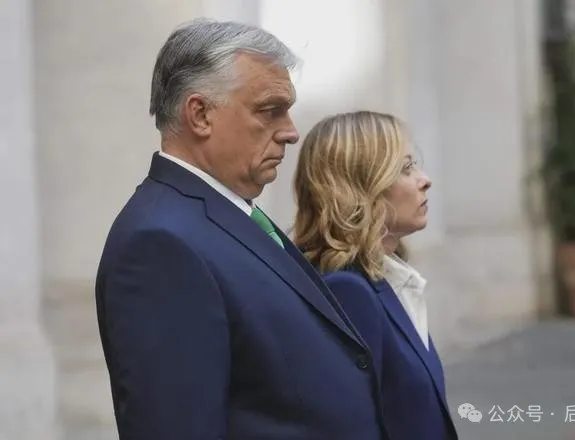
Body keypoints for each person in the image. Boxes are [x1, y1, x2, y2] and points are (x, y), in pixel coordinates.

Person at [95, 20, 386, 440]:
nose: (291, 132)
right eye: (269, 110)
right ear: (200, 114)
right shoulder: (160, 244)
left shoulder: (227, 213)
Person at [292, 111, 458, 440]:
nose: (425, 180)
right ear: (361, 187)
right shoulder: (346, 289)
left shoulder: (385, 277)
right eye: (405, 168)